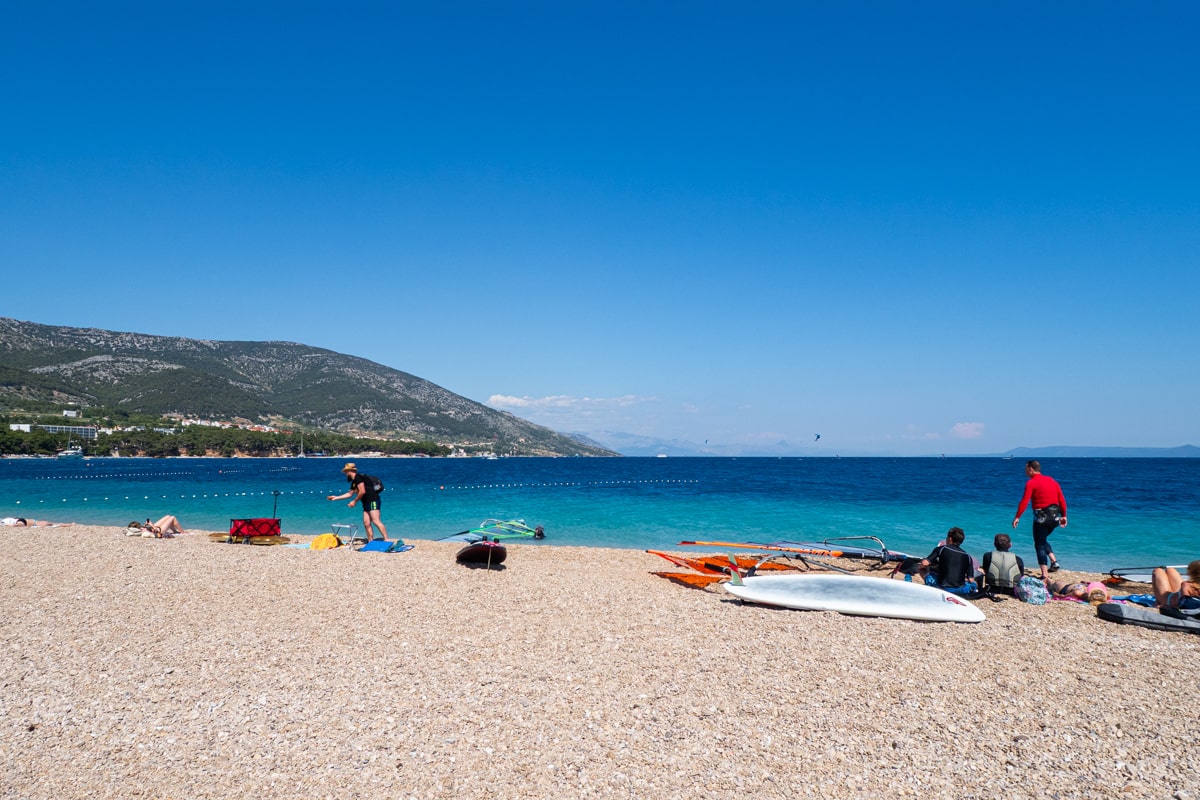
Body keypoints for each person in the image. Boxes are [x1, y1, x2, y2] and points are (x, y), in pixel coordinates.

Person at [1012, 460, 1068, 580]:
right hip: (1055, 517)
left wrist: (1017, 517)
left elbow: (1025, 501)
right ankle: (1054, 562)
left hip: (1042, 518)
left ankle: (1044, 574)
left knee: (1039, 544)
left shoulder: (1031, 483)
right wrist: (1064, 516)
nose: (1025, 471)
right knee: (1042, 539)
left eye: (1026, 469)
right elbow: (1062, 500)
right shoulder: (1052, 480)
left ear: (1031, 469)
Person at [327, 462, 388, 543]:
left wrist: (354, 501)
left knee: (376, 521)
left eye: (346, 472)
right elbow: (349, 494)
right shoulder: (354, 482)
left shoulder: (358, 477)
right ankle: (370, 541)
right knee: (366, 523)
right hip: (366, 503)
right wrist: (336, 497)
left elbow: (362, 491)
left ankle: (387, 540)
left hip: (373, 500)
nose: (345, 474)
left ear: (349, 471)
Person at [918, 527, 978, 595]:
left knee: (922, 570)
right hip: (959, 590)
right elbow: (971, 579)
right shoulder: (968, 556)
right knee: (973, 583)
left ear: (950, 539)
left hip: (941, 587)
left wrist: (921, 567)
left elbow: (925, 563)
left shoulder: (942, 549)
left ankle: (932, 587)